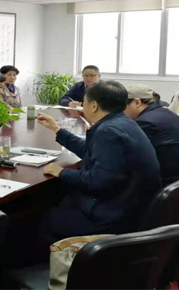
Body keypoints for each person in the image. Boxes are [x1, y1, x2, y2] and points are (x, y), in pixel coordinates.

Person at [37, 80, 161, 246]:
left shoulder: (108, 131)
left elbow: (97, 180)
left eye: (84, 102)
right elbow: (91, 152)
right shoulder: (123, 122)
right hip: (131, 205)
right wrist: (57, 130)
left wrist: (61, 172)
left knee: (41, 217)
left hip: (113, 216)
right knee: (62, 199)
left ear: (94, 105)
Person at [124, 84, 179, 186]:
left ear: (137, 102)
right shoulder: (166, 113)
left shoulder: (146, 122)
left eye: (123, 106)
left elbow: (131, 158)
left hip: (167, 183)